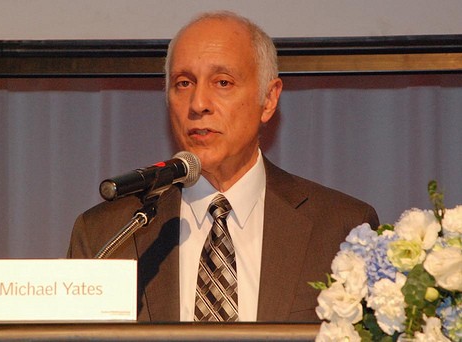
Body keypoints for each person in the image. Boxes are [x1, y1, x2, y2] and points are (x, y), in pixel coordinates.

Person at [68, 10, 379, 322]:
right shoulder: (107, 235)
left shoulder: (341, 228)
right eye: (184, 82)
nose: (198, 103)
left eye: (222, 82)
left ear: (268, 100)